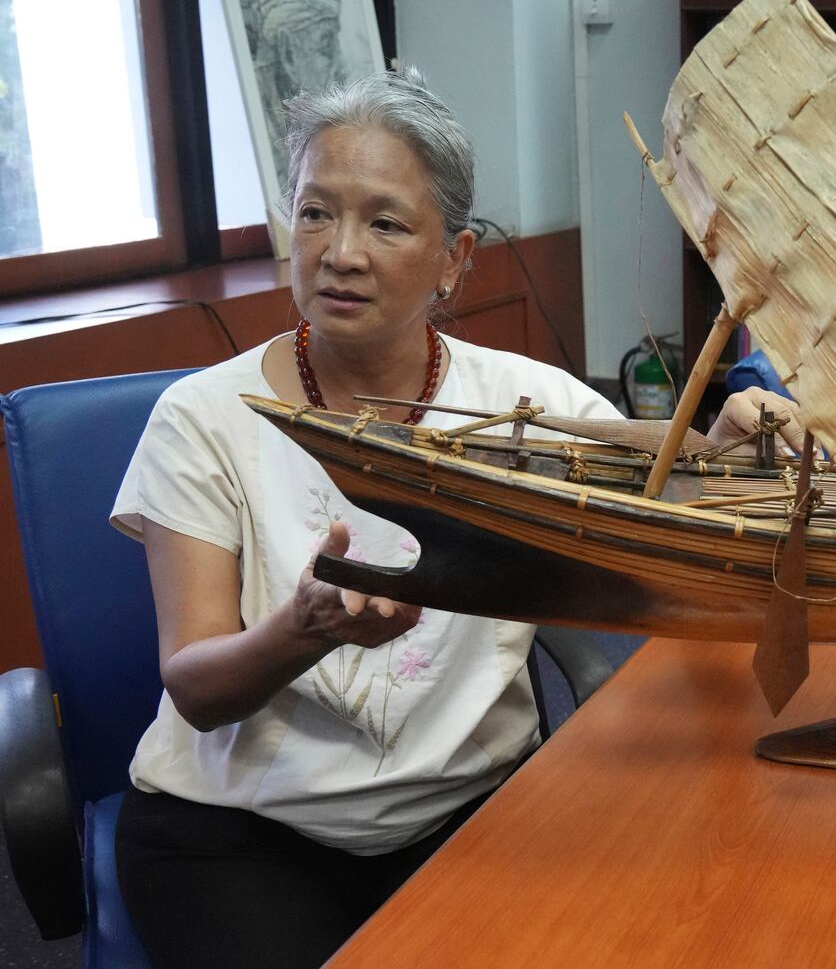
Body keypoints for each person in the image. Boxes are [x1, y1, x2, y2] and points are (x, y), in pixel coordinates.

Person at [110, 66, 797, 968]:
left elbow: (678, 497)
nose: (340, 251)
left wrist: (738, 446)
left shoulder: (523, 401)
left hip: (473, 807)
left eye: (385, 222)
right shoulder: (203, 417)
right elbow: (195, 689)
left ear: (454, 260)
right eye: (314, 213)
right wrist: (304, 628)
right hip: (240, 835)